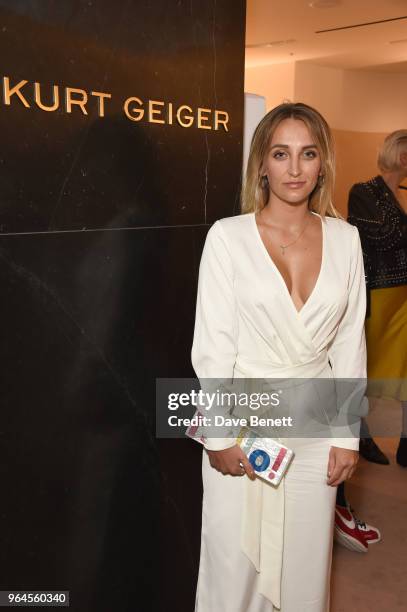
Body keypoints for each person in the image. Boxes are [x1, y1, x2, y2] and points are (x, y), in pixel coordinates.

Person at [191, 102, 368, 612]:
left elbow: (349, 343)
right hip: (245, 426)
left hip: (316, 432)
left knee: (305, 568)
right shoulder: (228, 238)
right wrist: (219, 435)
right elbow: (213, 347)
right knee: (234, 564)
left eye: (307, 154)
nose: (295, 169)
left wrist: (345, 434)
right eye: (281, 154)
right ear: (262, 165)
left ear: (322, 163)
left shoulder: (347, 239)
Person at [347, 130, 407, 468]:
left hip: (404, 298)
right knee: (364, 370)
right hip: (378, 294)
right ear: (402, 157)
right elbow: (383, 238)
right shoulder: (364, 191)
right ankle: (360, 436)